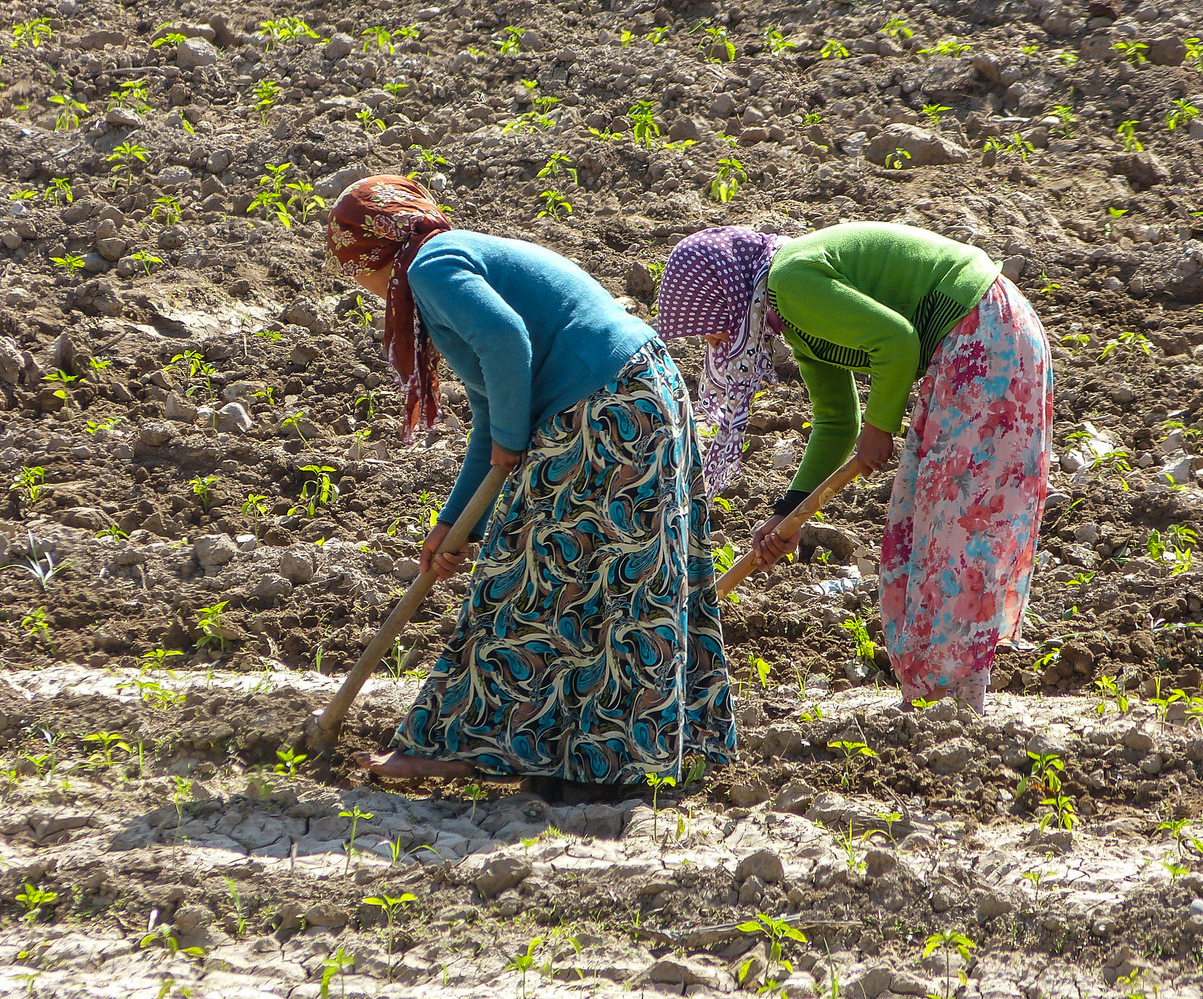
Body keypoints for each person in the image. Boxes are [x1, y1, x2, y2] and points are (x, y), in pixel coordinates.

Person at [328, 176, 736, 797]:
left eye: (351, 268)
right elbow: (492, 413)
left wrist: (513, 446)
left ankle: (478, 745)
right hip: (630, 397)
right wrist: (453, 523)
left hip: (609, 407)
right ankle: (539, 748)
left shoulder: (432, 266)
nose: (359, 286)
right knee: (582, 573)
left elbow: (505, 341)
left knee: (534, 572)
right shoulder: (447, 264)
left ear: (371, 250)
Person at [654, 222, 1052, 714]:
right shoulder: (790, 317)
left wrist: (881, 426)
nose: (713, 340)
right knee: (928, 521)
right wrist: (789, 513)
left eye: (709, 324)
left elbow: (898, 340)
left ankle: (955, 699)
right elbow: (837, 421)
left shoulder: (793, 282)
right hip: (976, 340)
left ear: (728, 299)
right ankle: (941, 697)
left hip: (985, 331)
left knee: (955, 525)